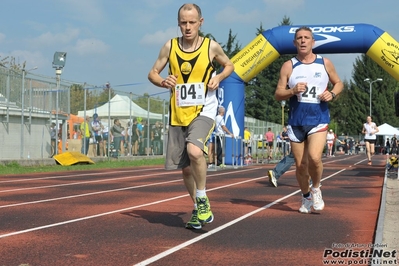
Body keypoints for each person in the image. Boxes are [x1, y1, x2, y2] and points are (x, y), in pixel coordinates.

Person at [147, 3, 234, 230]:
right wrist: (163, 81)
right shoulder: (170, 46)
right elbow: (152, 73)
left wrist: (220, 77)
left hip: (204, 109)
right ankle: (197, 207)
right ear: (178, 23)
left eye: (192, 22)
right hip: (178, 114)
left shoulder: (210, 47)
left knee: (194, 150)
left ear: (200, 23)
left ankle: (202, 197)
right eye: (183, 23)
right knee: (185, 169)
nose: (187, 27)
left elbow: (229, 65)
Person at [274, 26, 343, 214]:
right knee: (300, 165)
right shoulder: (289, 66)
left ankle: (316, 188)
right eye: (299, 38)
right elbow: (278, 93)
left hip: (318, 119)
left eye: (307, 37)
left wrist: (332, 94)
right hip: (296, 122)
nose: (303, 40)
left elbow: (339, 83)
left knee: (314, 157)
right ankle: (305, 196)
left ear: (313, 42)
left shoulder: (324, 63)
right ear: (295, 42)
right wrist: (292, 91)